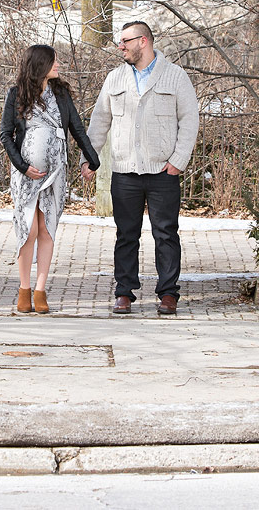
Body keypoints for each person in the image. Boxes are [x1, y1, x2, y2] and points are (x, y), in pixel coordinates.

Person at [84, 21, 199, 316]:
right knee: (126, 235)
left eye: (125, 41)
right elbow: (99, 122)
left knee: (166, 234)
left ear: (143, 41)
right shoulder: (115, 79)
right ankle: (124, 292)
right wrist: (90, 158)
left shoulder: (175, 77)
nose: (120, 46)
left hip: (163, 172)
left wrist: (178, 162)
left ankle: (168, 293)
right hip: (124, 173)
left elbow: (189, 120)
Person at [0, 44, 100, 315]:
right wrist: (23, 166)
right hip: (26, 175)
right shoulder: (16, 94)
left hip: (55, 173)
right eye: (54, 61)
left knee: (47, 230)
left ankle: (40, 290)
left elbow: (76, 128)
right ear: (40, 65)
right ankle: (23, 289)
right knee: (28, 229)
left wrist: (93, 159)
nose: (59, 65)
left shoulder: (61, 94)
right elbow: (6, 135)